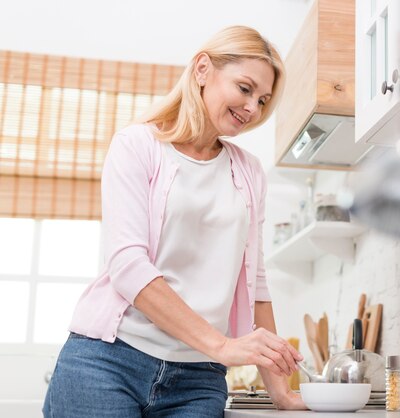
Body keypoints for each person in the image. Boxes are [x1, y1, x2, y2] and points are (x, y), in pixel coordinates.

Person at [43, 25, 306, 417]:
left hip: (198, 380)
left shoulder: (249, 173)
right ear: (203, 69)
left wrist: (281, 393)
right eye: (245, 88)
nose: (253, 108)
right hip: (107, 362)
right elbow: (128, 265)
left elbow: (256, 284)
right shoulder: (137, 146)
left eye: (264, 100)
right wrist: (222, 344)